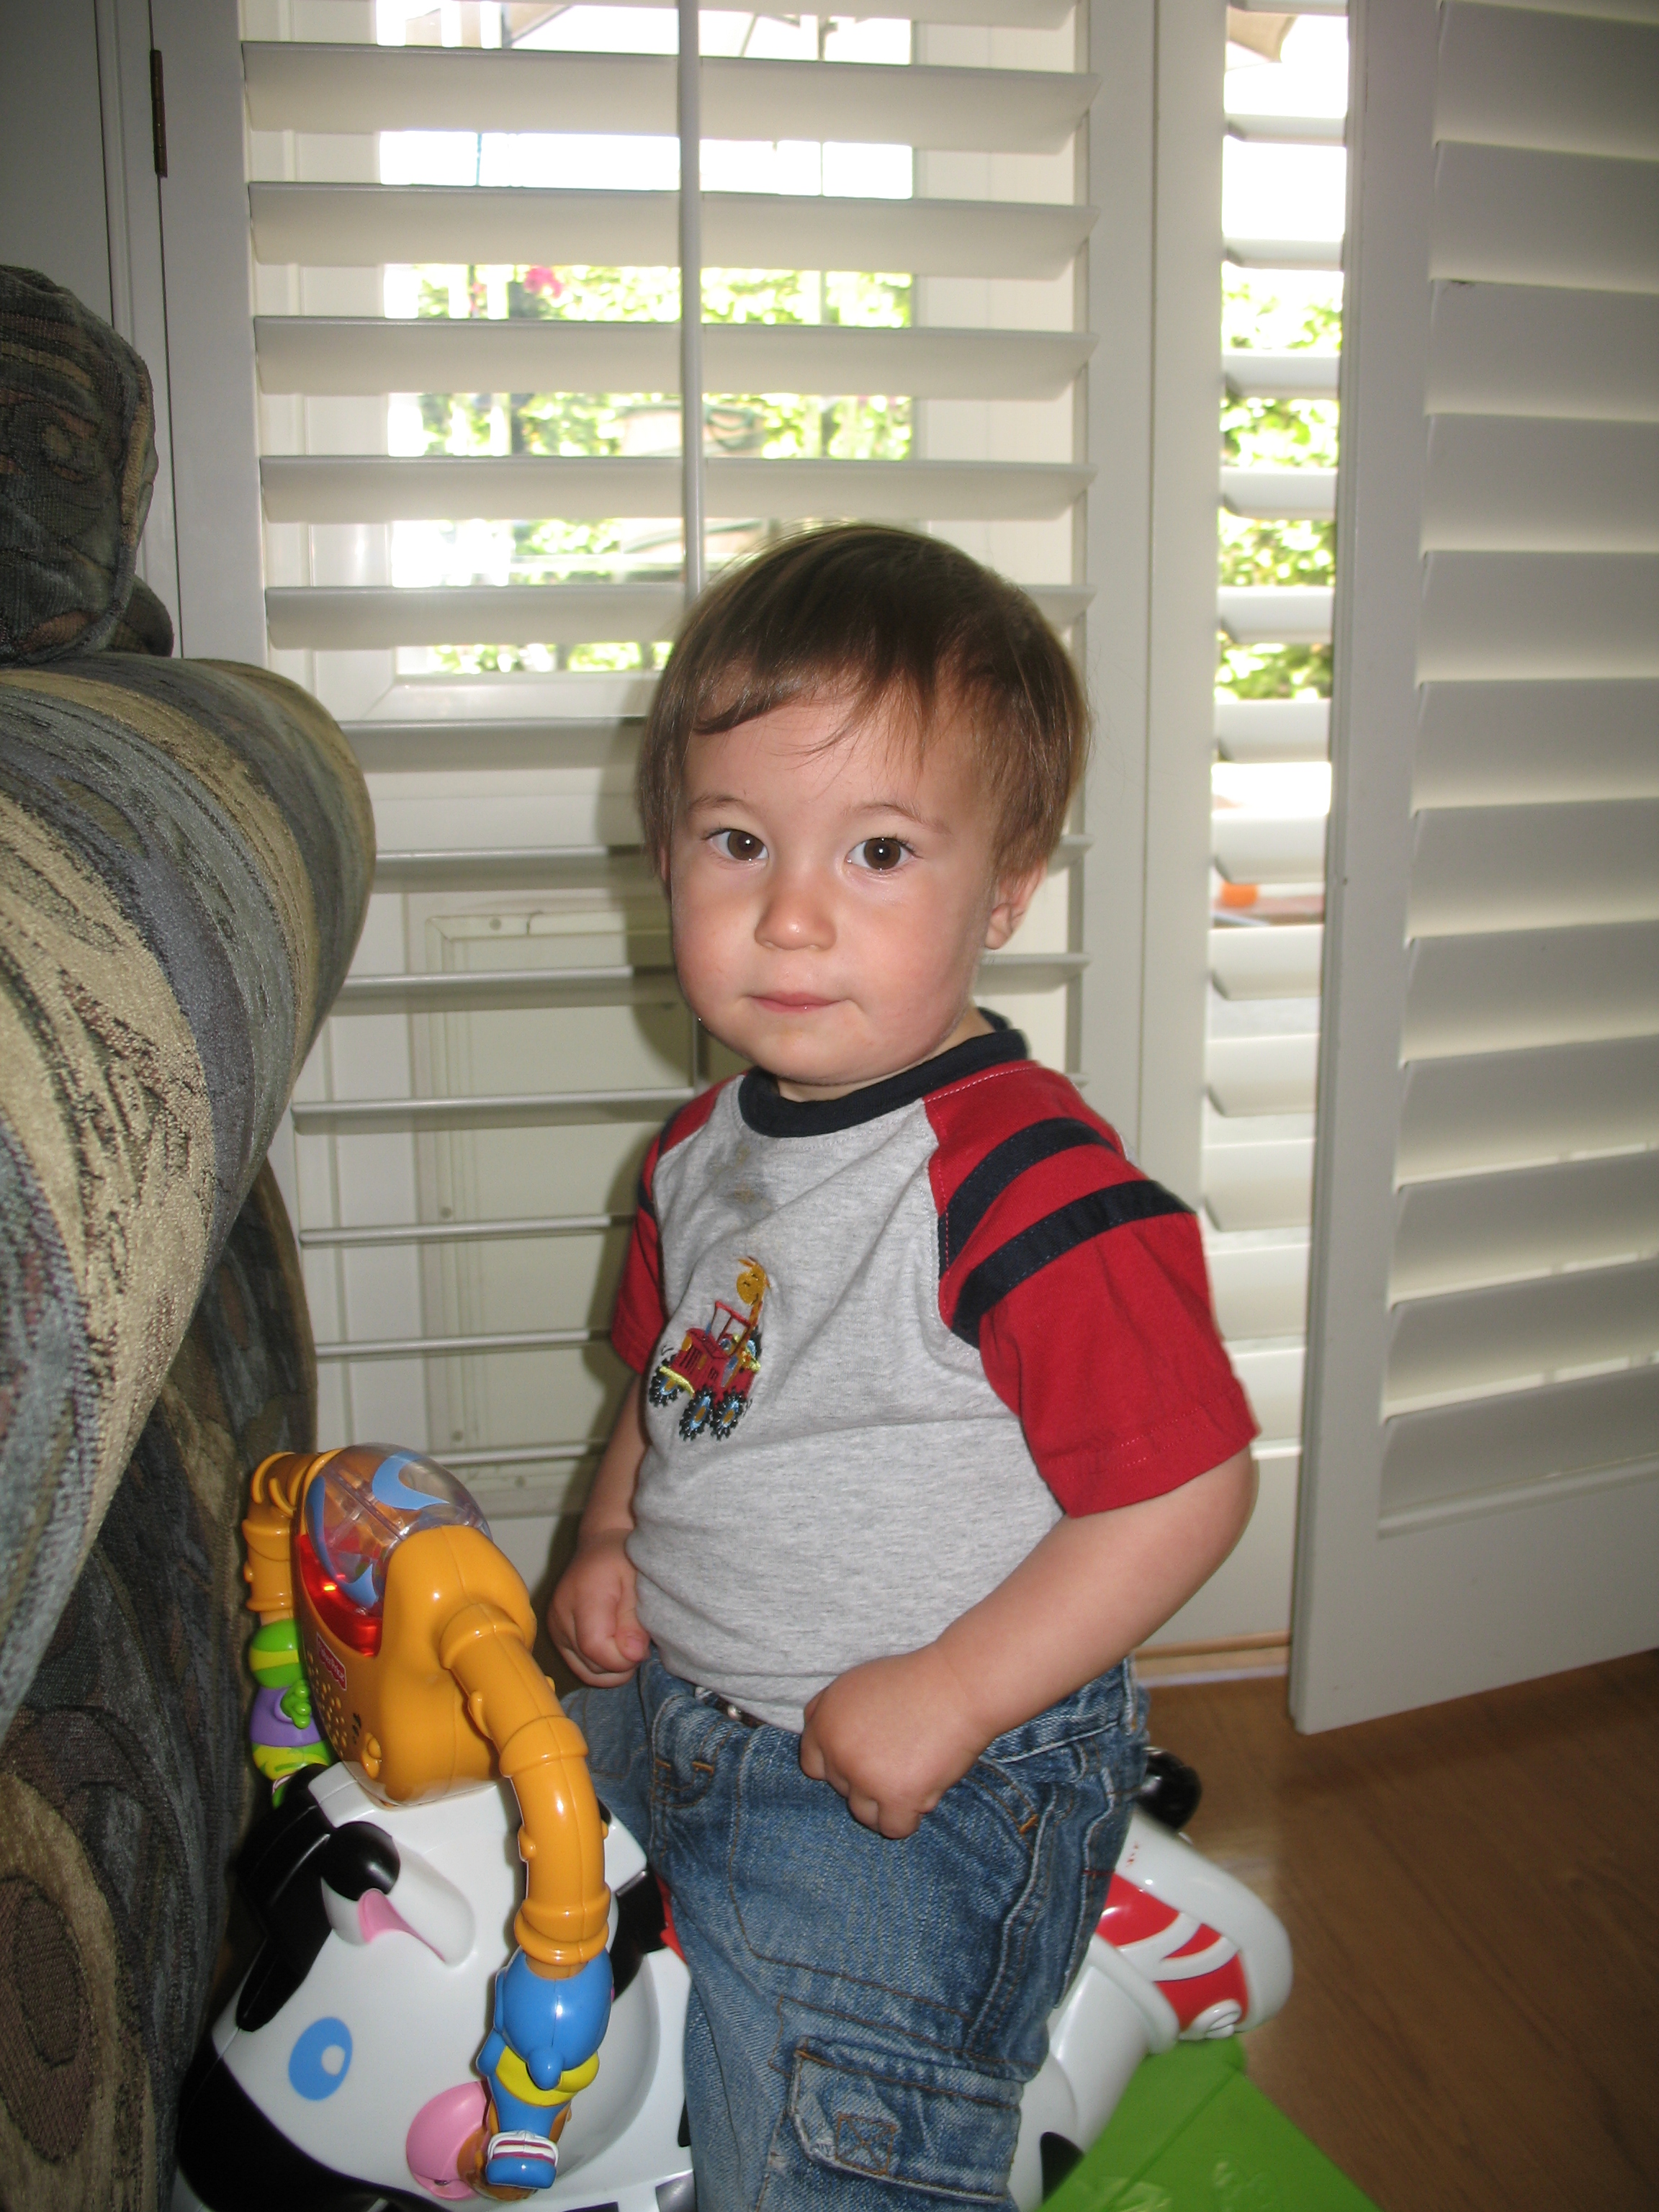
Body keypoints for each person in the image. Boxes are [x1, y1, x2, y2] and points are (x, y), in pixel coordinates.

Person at [548, 523, 1257, 2210]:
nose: (790, 915)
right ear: (669, 855)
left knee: (817, 2164)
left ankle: (1068, 1940)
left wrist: (948, 1694)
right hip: (678, 1700)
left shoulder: (1025, 1185)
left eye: (877, 851)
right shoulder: (698, 1152)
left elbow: (1185, 1486)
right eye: (737, 841)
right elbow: (672, 1386)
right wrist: (608, 1537)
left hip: (918, 1787)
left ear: (1003, 891)